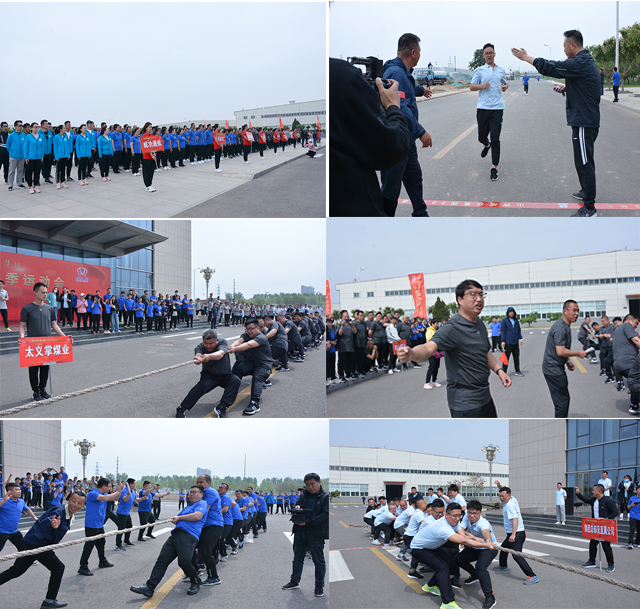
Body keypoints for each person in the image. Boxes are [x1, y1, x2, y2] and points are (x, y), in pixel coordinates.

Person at [512, 30, 600, 216]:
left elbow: (552, 67)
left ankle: (589, 208)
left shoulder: (579, 61)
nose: (564, 49)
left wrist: (526, 57)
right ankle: (586, 191)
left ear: (573, 45)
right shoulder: (585, 61)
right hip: (585, 120)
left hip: (584, 122)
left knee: (584, 163)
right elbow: (586, 85)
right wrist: (567, 88)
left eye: (564, 46)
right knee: (582, 161)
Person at [398, 280, 511, 417]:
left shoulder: (480, 324)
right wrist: (412, 353)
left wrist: (499, 371)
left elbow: (484, 352)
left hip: (485, 397)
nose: (479, 299)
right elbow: (428, 348)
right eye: (473, 294)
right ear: (460, 299)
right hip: (464, 404)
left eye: (481, 294)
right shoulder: (452, 328)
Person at [329, 58, 410, 216]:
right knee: (391, 188)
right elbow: (391, 148)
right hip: (357, 212)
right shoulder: (343, 76)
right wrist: (392, 105)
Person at [0, 490, 86, 608]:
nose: (75, 505)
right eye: (73, 501)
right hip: (37, 544)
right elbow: (48, 520)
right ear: (68, 500)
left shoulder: (69, 513)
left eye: (79, 503)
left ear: (83, 505)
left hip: (33, 542)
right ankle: (49, 600)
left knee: (16, 571)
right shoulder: (59, 511)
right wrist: (52, 523)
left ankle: (49, 600)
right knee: (58, 567)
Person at [379, 34, 433, 217]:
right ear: (413, 53)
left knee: (414, 179)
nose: (420, 55)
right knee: (390, 191)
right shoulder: (396, 73)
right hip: (395, 143)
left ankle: (421, 214)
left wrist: (421, 90)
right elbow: (400, 107)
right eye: (419, 52)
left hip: (406, 141)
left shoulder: (403, 73)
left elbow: (407, 89)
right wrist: (421, 131)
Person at [410, 501, 496, 607]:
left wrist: (475, 538)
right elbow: (463, 541)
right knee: (442, 568)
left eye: (459, 515)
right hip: (419, 549)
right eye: (455, 515)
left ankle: (431, 585)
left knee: (451, 561)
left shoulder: (454, 522)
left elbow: (463, 535)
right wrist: (486, 544)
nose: (457, 518)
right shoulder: (442, 527)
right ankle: (448, 602)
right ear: (447, 515)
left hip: (431, 547)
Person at [130, 485, 208, 598]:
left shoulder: (202, 504)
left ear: (201, 494)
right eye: (190, 492)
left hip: (188, 536)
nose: (191, 494)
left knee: (184, 562)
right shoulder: (188, 507)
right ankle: (149, 587)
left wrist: (179, 518)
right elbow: (179, 519)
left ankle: (195, 580)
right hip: (176, 535)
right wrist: (176, 519)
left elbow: (197, 516)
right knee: (162, 560)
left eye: (194, 492)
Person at [19, 283, 71, 402]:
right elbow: (22, 326)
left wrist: (65, 337)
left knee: (45, 368)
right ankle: (35, 391)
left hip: (47, 344)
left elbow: (54, 325)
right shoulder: (27, 308)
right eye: (42, 292)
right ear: (35, 292)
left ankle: (43, 389)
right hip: (33, 344)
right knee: (33, 369)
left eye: (46, 292)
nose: (45, 294)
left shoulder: (49, 308)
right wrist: (22, 337)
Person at [282, 474, 329, 598]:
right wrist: (297, 507)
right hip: (300, 531)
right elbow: (296, 506)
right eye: (307, 484)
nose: (310, 487)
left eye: (312, 484)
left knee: (318, 560)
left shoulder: (325, 497)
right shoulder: (304, 495)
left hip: (316, 533)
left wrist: (308, 523)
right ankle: (294, 581)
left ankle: (319, 586)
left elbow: (325, 515)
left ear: (319, 482)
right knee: (298, 558)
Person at [177, 329, 241, 418]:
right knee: (200, 387)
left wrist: (208, 356)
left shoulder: (222, 343)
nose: (208, 346)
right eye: (205, 343)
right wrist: (197, 359)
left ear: (216, 341)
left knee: (235, 380)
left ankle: (222, 407)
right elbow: (197, 355)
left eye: (211, 343)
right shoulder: (200, 347)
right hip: (209, 376)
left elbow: (220, 354)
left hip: (225, 375)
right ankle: (181, 408)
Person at [541, 299, 587, 417]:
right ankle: (560, 424)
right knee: (562, 402)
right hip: (553, 369)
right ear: (565, 311)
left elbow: (560, 349)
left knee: (562, 400)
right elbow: (560, 351)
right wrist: (578, 353)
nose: (576, 313)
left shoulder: (564, 325)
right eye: (574, 310)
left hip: (555, 367)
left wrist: (567, 361)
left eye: (578, 311)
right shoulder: (561, 327)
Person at [470, 43, 509, 181]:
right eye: (486, 53)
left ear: (494, 54)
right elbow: (472, 87)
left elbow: (505, 83)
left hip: (497, 108)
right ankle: (487, 145)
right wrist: (482, 86)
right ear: (483, 55)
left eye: (491, 52)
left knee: (495, 138)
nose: (489, 55)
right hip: (483, 108)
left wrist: (505, 86)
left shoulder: (501, 70)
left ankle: (494, 167)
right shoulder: (479, 71)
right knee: (481, 136)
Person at [453, 500, 499, 609]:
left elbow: (486, 532)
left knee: (481, 567)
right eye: (470, 512)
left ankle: (490, 597)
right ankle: (475, 575)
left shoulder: (483, 523)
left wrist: (488, 541)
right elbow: (460, 530)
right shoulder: (466, 517)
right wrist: (466, 537)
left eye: (475, 513)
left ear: (480, 513)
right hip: (475, 547)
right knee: (457, 559)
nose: (472, 516)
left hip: (489, 548)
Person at [493, 483, 539, 584]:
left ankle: (532, 576)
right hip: (514, 533)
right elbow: (504, 491)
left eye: (503, 496)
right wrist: (499, 485)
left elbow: (515, 519)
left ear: (509, 496)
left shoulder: (510, 505)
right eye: (500, 496)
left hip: (517, 533)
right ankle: (503, 565)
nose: (501, 498)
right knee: (504, 549)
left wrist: (513, 534)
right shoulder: (512, 499)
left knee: (517, 555)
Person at [78, 478, 124, 576]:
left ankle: (102, 561)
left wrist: (119, 492)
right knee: (89, 546)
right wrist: (117, 491)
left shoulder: (104, 494)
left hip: (99, 524)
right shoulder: (93, 494)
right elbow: (106, 498)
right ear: (104, 486)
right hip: (91, 524)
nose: (109, 488)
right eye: (109, 486)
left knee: (101, 543)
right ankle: (83, 567)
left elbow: (115, 499)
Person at [229, 319, 273, 416]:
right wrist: (232, 346)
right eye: (247, 329)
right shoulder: (246, 335)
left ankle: (254, 403)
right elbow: (239, 341)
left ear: (257, 328)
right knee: (238, 368)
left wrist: (235, 349)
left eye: (251, 328)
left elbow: (248, 345)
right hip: (251, 363)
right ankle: (229, 395)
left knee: (257, 378)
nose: (249, 331)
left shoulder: (261, 337)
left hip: (264, 365)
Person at [575, 483, 618, 571]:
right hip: (595, 527)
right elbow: (586, 500)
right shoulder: (593, 500)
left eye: (594, 490)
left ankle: (611, 564)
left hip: (604, 527)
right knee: (592, 544)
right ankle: (592, 561)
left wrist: (606, 518)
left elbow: (615, 512)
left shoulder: (608, 501)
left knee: (606, 546)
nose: (592, 491)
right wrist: (578, 494)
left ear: (599, 491)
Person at [192, 475, 224, 586]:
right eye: (197, 482)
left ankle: (214, 577)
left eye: (201, 482)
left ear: (208, 483)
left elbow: (204, 509)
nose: (198, 484)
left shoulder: (211, 492)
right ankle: (196, 570)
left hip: (214, 525)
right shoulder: (200, 494)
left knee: (205, 551)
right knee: (191, 546)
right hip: (204, 526)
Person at [0, 482, 38, 552]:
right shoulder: (2, 501)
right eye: (17, 490)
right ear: (9, 492)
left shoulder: (21, 501)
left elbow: (27, 509)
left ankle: (25, 558)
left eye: (20, 489)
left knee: (23, 548)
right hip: (2, 531)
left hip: (14, 531)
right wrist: (4, 500)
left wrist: (34, 517)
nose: (19, 491)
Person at [115, 478, 140, 551]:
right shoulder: (124, 491)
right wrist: (128, 495)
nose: (135, 485)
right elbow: (125, 499)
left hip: (127, 513)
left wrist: (142, 499)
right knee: (121, 529)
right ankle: (118, 545)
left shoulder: (132, 491)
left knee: (129, 527)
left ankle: (126, 541)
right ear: (130, 484)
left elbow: (136, 499)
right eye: (134, 484)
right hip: (121, 513)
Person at [501, 307, 524, 376]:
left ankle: (517, 371)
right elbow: (503, 331)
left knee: (516, 357)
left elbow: (518, 330)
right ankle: (504, 372)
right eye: (510, 312)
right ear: (507, 313)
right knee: (506, 358)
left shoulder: (516, 321)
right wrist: (503, 340)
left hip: (515, 342)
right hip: (508, 342)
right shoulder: (505, 321)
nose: (511, 313)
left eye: (512, 312)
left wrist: (520, 338)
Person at [7, 120, 26, 191]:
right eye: (19, 125)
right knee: (12, 171)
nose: (21, 127)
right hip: (13, 156)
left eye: (21, 125)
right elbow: (8, 145)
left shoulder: (24, 135)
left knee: (20, 170)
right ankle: (10, 184)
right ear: (15, 126)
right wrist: (11, 152)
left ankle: (19, 183)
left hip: (22, 156)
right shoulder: (11, 135)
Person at [140, 121, 158, 192]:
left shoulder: (151, 135)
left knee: (151, 171)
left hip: (152, 156)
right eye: (149, 127)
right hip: (147, 156)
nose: (151, 128)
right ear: (146, 128)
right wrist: (151, 155)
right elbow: (147, 147)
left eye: (151, 127)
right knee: (147, 171)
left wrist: (154, 153)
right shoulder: (144, 136)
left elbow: (153, 146)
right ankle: (147, 185)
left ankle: (150, 184)